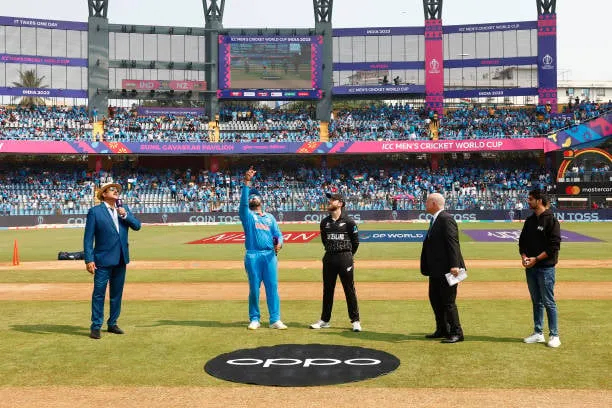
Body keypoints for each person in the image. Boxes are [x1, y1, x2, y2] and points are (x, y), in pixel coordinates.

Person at [84, 181, 141, 339]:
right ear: (103, 194)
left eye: (117, 190)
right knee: (99, 294)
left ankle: (112, 323)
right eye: (112, 189)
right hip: (102, 260)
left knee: (117, 294)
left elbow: (137, 226)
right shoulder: (95, 212)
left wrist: (125, 215)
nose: (116, 191)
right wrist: (89, 259)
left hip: (121, 258)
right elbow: (88, 239)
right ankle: (96, 325)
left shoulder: (124, 209)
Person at [240, 167, 286, 330]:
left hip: (270, 256)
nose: (252, 198)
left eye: (255, 196)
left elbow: (278, 234)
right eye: (250, 197)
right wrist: (247, 182)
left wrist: (280, 242)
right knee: (254, 288)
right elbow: (244, 203)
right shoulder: (247, 216)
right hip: (253, 255)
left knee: (272, 287)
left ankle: (275, 319)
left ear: (260, 200)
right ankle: (254, 318)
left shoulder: (269, 217)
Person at [310, 192, 362, 332]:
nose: (329, 202)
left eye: (333, 200)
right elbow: (324, 241)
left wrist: (348, 256)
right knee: (327, 290)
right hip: (329, 258)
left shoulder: (350, 222)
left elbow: (355, 242)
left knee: (349, 289)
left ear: (340, 203)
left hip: (345, 258)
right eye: (330, 199)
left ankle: (355, 321)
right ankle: (325, 320)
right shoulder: (324, 222)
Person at [420, 192, 465, 343]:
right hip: (435, 270)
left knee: (448, 302)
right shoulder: (435, 219)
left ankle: (457, 332)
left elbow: (453, 243)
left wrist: (455, 265)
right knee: (435, 299)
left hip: (448, 269)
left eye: (427, 202)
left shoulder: (446, 219)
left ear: (434, 203)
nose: (425, 204)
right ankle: (442, 329)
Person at [519, 189, 562, 348]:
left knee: (548, 302)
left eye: (530, 199)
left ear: (539, 200)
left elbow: (554, 247)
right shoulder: (529, 221)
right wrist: (524, 257)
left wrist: (535, 259)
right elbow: (522, 242)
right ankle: (538, 333)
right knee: (536, 302)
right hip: (530, 267)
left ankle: (554, 335)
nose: (528, 201)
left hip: (545, 268)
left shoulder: (551, 220)